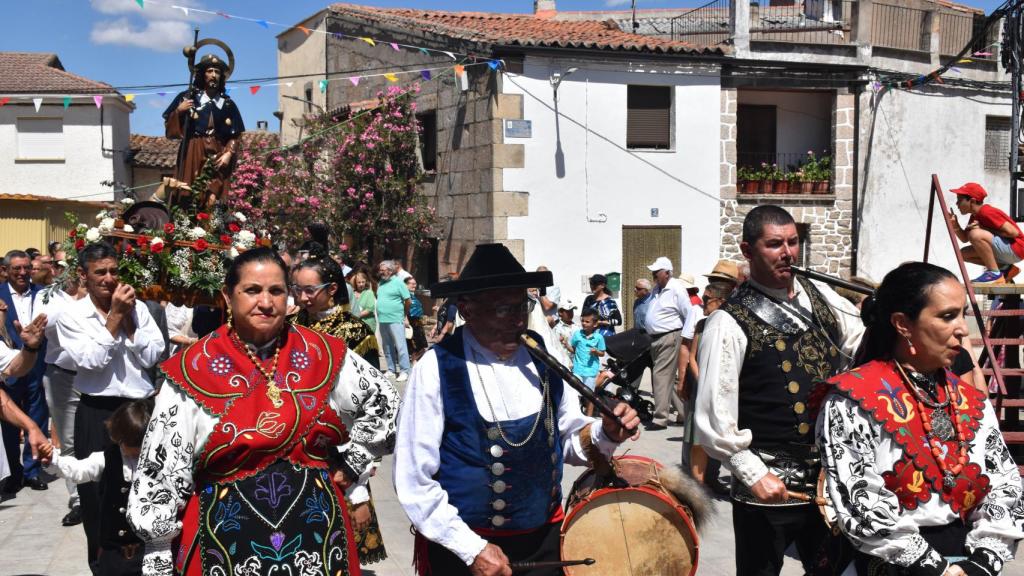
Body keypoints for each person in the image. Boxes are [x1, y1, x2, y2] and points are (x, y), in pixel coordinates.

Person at [128, 247, 400, 576]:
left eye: (277, 291)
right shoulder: (194, 367)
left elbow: (384, 402)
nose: (267, 302)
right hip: (225, 536)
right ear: (228, 296)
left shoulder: (321, 352)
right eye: (252, 290)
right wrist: (157, 547)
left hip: (317, 533)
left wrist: (353, 461)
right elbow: (165, 465)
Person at [394, 243, 640, 576]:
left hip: (544, 543)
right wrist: (471, 548)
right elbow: (413, 478)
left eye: (521, 306)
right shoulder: (438, 368)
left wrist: (605, 431)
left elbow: (567, 437)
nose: (517, 320)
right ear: (466, 309)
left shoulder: (544, 357)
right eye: (501, 308)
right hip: (465, 549)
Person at [819, 262, 1024, 575]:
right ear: (902, 323)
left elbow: (1004, 483)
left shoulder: (968, 400)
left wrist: (982, 561)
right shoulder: (852, 400)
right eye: (947, 316)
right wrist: (934, 569)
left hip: (967, 559)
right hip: (891, 564)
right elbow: (861, 498)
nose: (961, 329)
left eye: (962, 313)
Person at [694, 205, 865, 576]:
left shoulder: (821, 296)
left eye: (793, 242)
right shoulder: (726, 322)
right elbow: (713, 413)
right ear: (747, 250)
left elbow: (859, 346)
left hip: (827, 479)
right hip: (767, 486)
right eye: (774, 244)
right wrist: (752, 474)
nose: (788, 253)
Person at [56, 242, 165, 569]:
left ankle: (149, 563)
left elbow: (151, 356)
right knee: (99, 495)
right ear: (83, 276)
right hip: (98, 412)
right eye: (99, 272)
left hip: (139, 410)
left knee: (148, 487)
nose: (108, 278)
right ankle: (103, 566)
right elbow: (90, 362)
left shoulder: (139, 309)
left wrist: (128, 318)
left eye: (114, 271)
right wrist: (115, 317)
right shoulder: (72, 315)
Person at [290, 248, 388, 564]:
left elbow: (372, 408)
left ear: (332, 289)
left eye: (309, 290)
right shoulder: (288, 325)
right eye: (296, 289)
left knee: (337, 543)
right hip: (292, 445)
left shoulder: (355, 332)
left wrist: (358, 469)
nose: (302, 298)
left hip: (338, 448)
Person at [48, 398, 154, 576]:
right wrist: (52, 460)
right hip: (114, 554)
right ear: (119, 438)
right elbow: (78, 470)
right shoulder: (106, 458)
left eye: (141, 445)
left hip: (148, 552)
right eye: (130, 445)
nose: (136, 451)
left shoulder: (157, 462)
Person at [33, 274, 88, 526]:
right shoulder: (48, 296)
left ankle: (100, 493)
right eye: (60, 266)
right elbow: (46, 325)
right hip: (61, 374)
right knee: (68, 442)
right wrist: (79, 303)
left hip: (96, 374)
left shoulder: (100, 292)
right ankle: (78, 500)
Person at [162, 53, 244, 207]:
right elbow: (170, 129)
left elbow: (236, 134)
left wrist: (228, 153)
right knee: (189, 188)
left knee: (214, 193)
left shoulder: (227, 104)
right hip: (194, 148)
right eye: (210, 71)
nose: (214, 75)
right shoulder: (188, 97)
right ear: (202, 74)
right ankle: (186, 226)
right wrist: (179, 111)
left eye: (217, 72)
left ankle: (210, 225)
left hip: (218, 150)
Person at [0, 249, 49, 495]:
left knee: (37, 415)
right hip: (6, 368)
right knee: (9, 421)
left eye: (26, 268)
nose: (22, 272)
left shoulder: (44, 295)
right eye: (17, 268)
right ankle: (13, 473)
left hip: (36, 365)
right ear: (5, 271)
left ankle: (32, 471)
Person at [685, 281, 733, 494]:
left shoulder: (731, 326)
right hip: (702, 389)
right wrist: (702, 381)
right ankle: (698, 487)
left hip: (724, 391)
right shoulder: (701, 325)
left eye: (706, 299)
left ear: (721, 301)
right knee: (697, 440)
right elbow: (692, 357)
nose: (701, 303)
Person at [644, 256, 698, 430]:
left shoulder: (676, 288)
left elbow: (688, 313)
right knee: (667, 379)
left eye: (656, 272)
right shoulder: (657, 289)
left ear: (666, 273)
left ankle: (660, 419)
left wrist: (686, 338)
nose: (653, 275)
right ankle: (684, 412)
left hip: (670, 336)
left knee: (660, 376)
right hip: (657, 338)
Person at [948, 182, 1024, 284]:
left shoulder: (986, 212)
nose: (957, 204)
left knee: (975, 234)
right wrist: (955, 225)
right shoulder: (975, 216)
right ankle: (1006, 268)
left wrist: (984, 228)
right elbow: (965, 239)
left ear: (972, 201)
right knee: (962, 254)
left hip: (1017, 248)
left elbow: (1014, 233)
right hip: (1006, 250)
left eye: (959, 200)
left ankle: (994, 273)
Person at [376, 260, 411, 381]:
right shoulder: (381, 282)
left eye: (382, 269)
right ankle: (390, 369)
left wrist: (404, 314)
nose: (380, 272)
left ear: (390, 271)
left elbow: (408, 300)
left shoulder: (399, 282)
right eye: (380, 269)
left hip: (395, 318)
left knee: (400, 346)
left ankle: (405, 371)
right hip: (383, 319)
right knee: (387, 346)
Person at [568, 308, 606, 394]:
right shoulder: (577, 334)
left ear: (595, 324)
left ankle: (589, 407)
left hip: (591, 371)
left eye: (587, 322)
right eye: (582, 321)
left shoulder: (599, 337)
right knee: (575, 393)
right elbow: (573, 350)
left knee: (589, 395)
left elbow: (602, 353)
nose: (584, 323)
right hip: (577, 370)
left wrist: (596, 352)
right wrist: (566, 345)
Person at [582, 274, 621, 338]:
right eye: (591, 283)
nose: (592, 286)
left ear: (603, 285)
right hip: (590, 337)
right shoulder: (588, 300)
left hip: (607, 337)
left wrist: (601, 322)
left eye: (595, 284)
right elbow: (583, 316)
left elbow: (619, 321)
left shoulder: (610, 301)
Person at [405, 276, 428, 362]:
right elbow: (403, 309)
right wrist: (405, 319)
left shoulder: (412, 295)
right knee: (416, 347)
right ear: (406, 285)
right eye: (412, 284)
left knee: (420, 347)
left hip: (417, 323)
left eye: (415, 284)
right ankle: (413, 362)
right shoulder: (405, 296)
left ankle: (415, 362)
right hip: (411, 322)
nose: (415, 285)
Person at [552, 300, 577, 368]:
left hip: (579, 362)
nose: (571, 313)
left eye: (572, 311)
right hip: (566, 362)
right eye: (568, 311)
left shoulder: (577, 326)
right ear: (560, 312)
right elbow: (557, 347)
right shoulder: (557, 329)